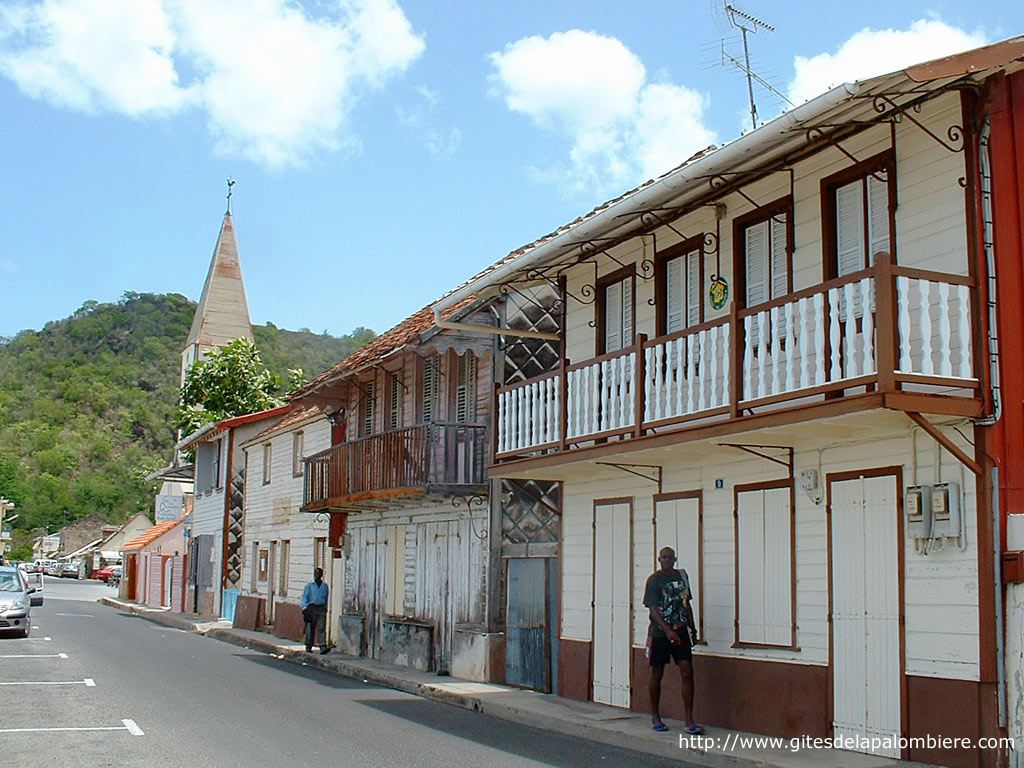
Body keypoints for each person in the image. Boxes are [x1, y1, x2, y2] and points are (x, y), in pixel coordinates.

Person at [643, 546, 703, 734]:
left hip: (681, 631)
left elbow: (687, 604)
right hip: (660, 634)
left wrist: (693, 629)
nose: (667, 560)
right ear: (659, 560)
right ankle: (655, 717)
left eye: (670, 557)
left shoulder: (682, 577)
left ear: (675, 559)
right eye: (664, 557)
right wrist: (667, 631)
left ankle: (689, 720)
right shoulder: (654, 581)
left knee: (687, 672)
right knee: (657, 673)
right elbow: (652, 609)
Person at [301, 567, 330, 654]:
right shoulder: (309, 586)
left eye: (320, 573)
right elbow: (304, 597)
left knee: (321, 627)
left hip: (321, 608)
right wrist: (304, 608)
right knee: (310, 628)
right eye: (317, 573)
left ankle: (322, 646)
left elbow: (326, 598)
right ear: (314, 574)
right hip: (311, 608)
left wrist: (325, 609)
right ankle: (309, 645)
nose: (318, 575)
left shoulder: (324, 586)